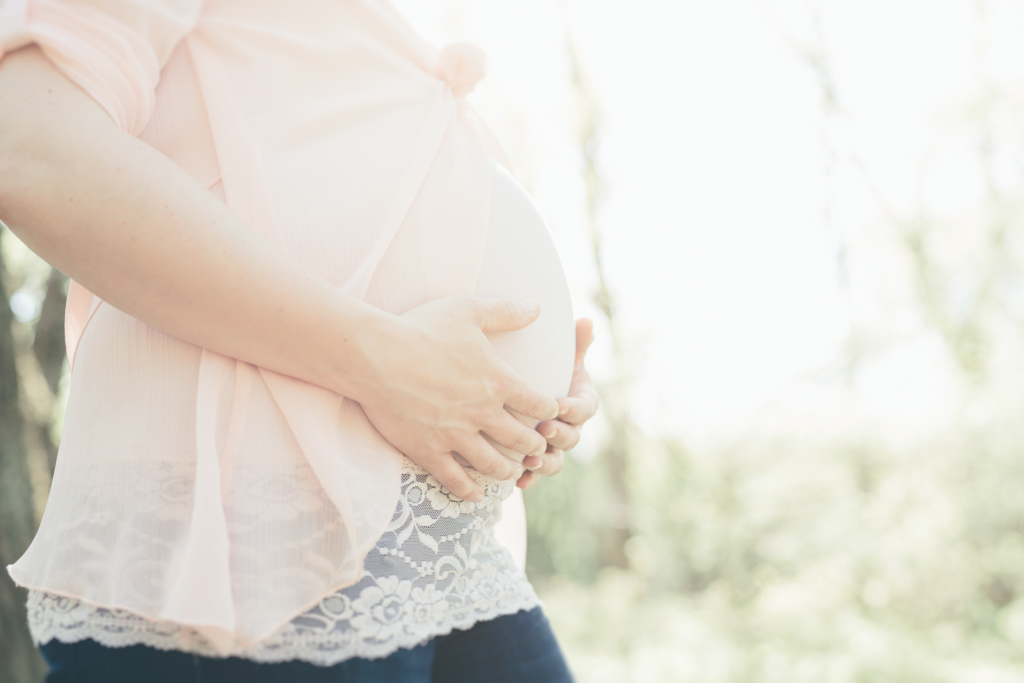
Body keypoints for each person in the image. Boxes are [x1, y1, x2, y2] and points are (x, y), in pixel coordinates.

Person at [0, 0, 599, 681]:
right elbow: (30, 147)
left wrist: (511, 387)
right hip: (250, 532)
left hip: (432, 536)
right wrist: (386, 361)